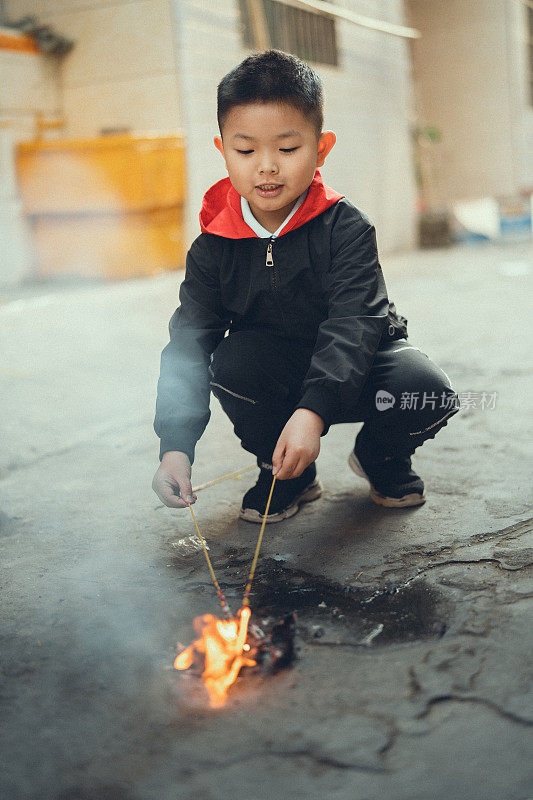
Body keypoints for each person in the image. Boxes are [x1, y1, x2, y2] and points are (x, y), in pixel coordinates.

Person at [152, 49, 460, 523]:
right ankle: (287, 474)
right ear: (222, 151)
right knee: (230, 364)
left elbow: (355, 323)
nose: (267, 167)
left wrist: (313, 412)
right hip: (274, 375)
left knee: (425, 388)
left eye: (288, 149)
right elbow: (189, 344)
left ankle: (382, 456)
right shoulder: (213, 247)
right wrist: (175, 447)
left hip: (358, 367)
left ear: (322, 148)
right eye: (246, 149)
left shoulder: (347, 227)